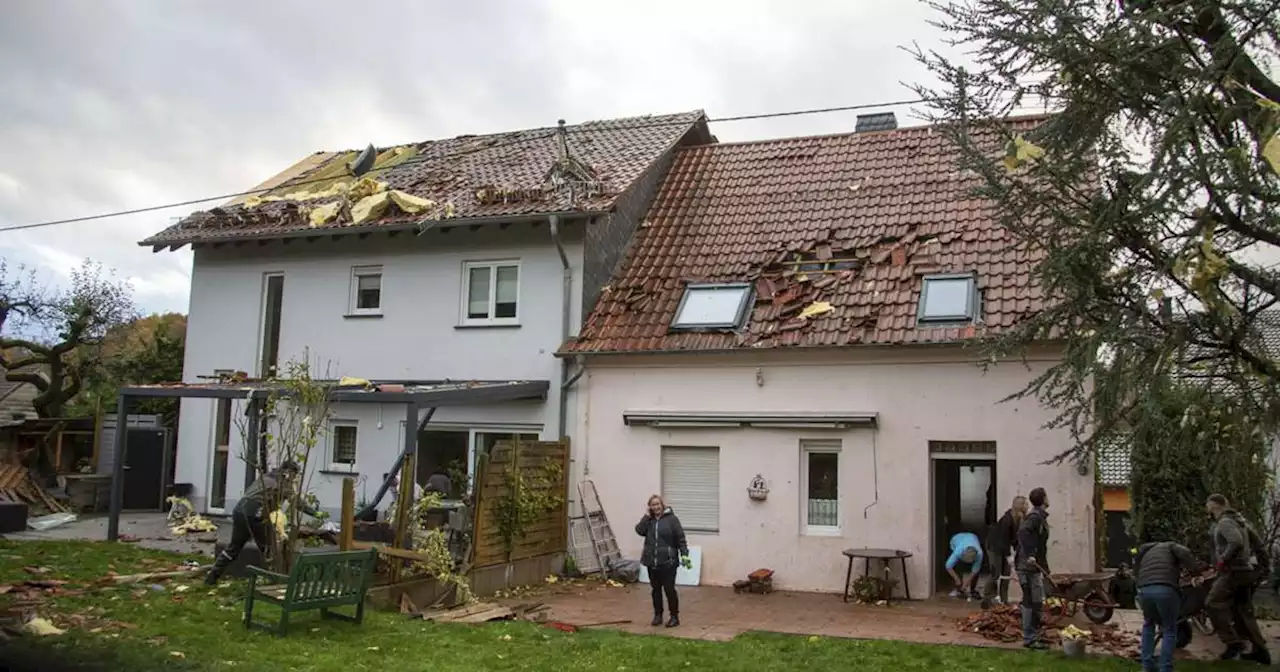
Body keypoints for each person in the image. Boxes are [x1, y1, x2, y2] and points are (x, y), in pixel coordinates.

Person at [205, 460, 319, 585]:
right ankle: (275, 581)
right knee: (269, 549)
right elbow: (296, 501)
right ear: (288, 472)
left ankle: (212, 578)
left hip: (239, 510)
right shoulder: (281, 484)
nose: (294, 479)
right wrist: (315, 513)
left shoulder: (265, 477)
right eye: (294, 475)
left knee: (234, 547)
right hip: (255, 514)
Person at [1205, 494, 1270, 663]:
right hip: (1245, 572)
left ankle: (1233, 643)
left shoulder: (1225, 522)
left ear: (1214, 506)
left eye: (1208, 506)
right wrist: (1264, 567)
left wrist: (1222, 561)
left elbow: (1235, 542)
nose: (1208, 510)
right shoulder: (1240, 521)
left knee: (1212, 603)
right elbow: (1259, 544)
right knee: (1243, 611)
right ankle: (1260, 651)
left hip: (1232, 572)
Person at [1133, 540, 1205, 672]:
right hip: (1165, 590)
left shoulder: (1146, 552)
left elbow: (1136, 572)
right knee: (1169, 629)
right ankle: (1165, 668)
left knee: (1148, 625)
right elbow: (1185, 553)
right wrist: (1196, 573)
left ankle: (1147, 666)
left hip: (1144, 590)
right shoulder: (1171, 546)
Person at [635, 494, 689, 628]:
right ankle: (658, 615)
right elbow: (639, 530)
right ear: (650, 507)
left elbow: (680, 538)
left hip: (668, 562)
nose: (656, 507)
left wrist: (684, 554)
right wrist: (646, 516)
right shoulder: (649, 521)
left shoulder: (672, 520)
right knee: (655, 590)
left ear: (662, 505)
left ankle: (674, 617)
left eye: (658, 504)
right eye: (653, 505)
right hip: (652, 562)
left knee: (669, 589)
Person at [1015, 486, 1050, 650]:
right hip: (1026, 567)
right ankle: (1029, 638)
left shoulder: (1039, 517)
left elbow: (1041, 547)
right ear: (1043, 499)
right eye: (1046, 496)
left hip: (1034, 567)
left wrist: (1045, 567)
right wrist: (1030, 555)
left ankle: (1035, 635)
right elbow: (1022, 532)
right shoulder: (1034, 517)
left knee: (1036, 601)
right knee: (1030, 601)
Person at [982, 495, 1028, 607]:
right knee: (995, 573)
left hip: (1003, 546)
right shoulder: (1007, 520)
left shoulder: (1019, 518)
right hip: (994, 547)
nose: (1028, 506)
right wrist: (1009, 556)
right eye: (1026, 504)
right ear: (1020, 506)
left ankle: (1004, 600)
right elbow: (1004, 540)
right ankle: (987, 599)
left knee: (1006, 574)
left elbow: (1015, 538)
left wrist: (1018, 551)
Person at [945, 531, 984, 599]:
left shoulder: (980, 554)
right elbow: (948, 566)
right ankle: (958, 588)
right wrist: (956, 578)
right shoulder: (958, 551)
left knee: (977, 570)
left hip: (972, 536)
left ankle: (972, 589)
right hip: (956, 539)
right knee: (957, 567)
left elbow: (974, 571)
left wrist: (966, 585)